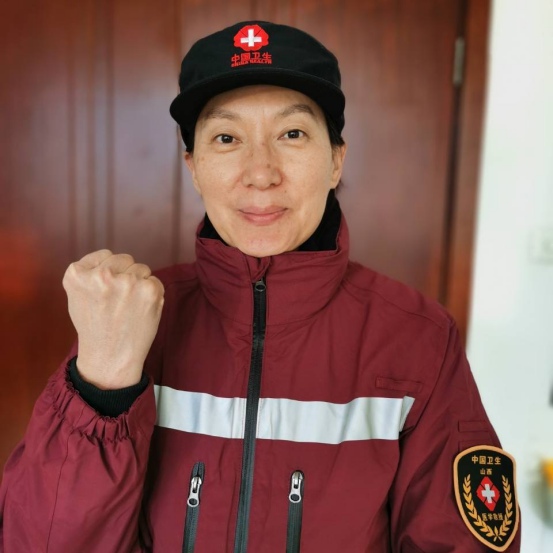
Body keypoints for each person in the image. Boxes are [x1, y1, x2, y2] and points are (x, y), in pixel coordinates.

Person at [0, 20, 520, 553]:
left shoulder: (419, 338)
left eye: (292, 134)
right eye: (226, 138)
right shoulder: (129, 321)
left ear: (336, 160)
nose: (261, 173)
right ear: (193, 167)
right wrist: (101, 387)